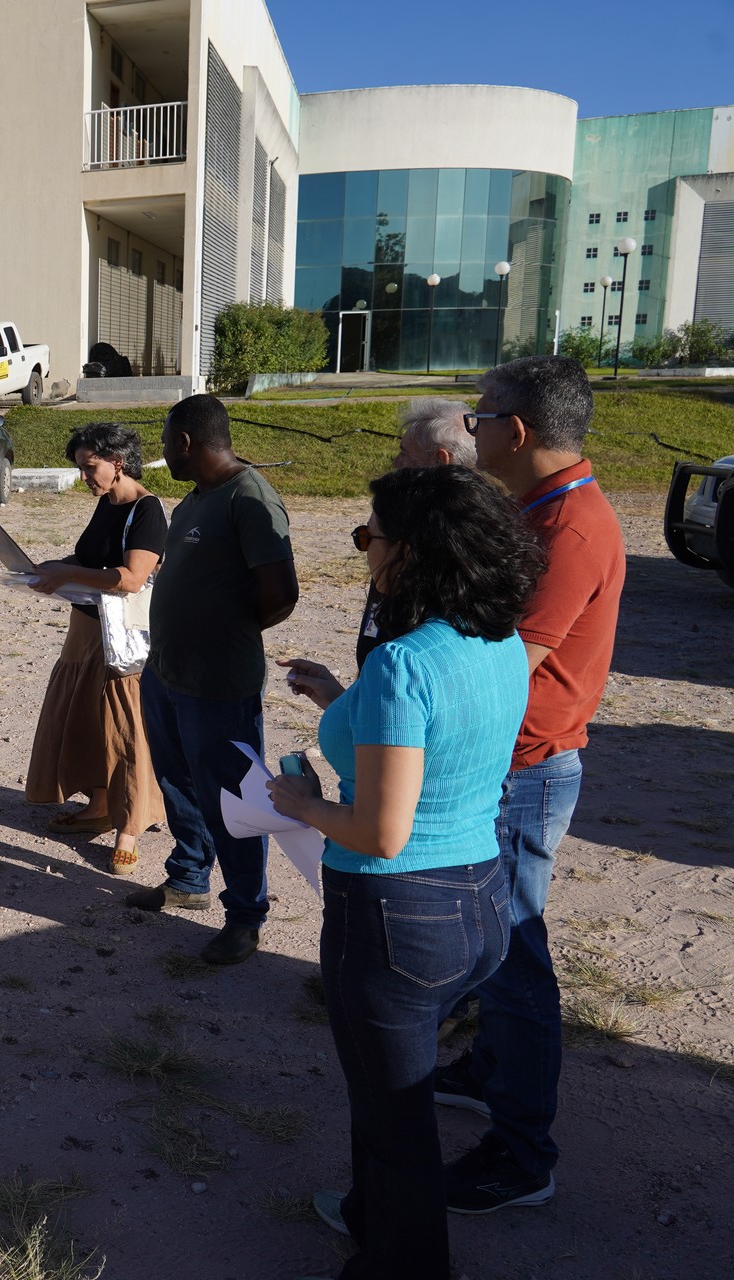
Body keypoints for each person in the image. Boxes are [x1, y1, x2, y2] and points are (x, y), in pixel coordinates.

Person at [269, 464, 542, 1280]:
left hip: (393, 918)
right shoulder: (501, 642)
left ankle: (402, 1265)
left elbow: (381, 831)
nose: (364, 552)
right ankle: (367, 1216)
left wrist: (301, 801)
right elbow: (434, 744)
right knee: (393, 1093)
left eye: (370, 536)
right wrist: (342, 703)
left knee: (395, 1118)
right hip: (480, 899)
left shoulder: (404, 665)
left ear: (413, 554)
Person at [433, 355, 624, 1212]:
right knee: (490, 943)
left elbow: (512, 663)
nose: (469, 432)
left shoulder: (571, 529)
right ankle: (487, 1069)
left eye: (477, 419)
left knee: (513, 959)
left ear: (514, 431)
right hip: (511, 761)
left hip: (526, 768)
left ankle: (521, 1153)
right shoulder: (541, 507)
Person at [125, 394, 298, 966]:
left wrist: (224, 632)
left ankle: (246, 916)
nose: (163, 456)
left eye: (167, 442)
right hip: (169, 672)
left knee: (234, 800)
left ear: (186, 443)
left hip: (219, 683)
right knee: (178, 782)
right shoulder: (196, 499)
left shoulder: (249, 499)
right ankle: (189, 878)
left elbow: (280, 595)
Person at [23, 423, 167, 873]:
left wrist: (69, 575)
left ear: (117, 463)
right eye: (81, 469)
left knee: (125, 729)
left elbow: (131, 578)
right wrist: (49, 569)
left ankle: (130, 827)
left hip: (121, 638)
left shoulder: (147, 511)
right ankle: (100, 806)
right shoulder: (106, 503)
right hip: (85, 632)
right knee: (88, 719)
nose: (84, 478)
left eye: (90, 468)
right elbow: (91, 562)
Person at [356, 398, 477, 667]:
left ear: (440, 460)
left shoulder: (456, 546)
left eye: (404, 453)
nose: (396, 462)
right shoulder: (402, 515)